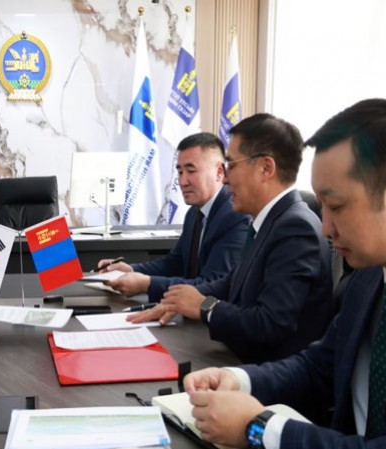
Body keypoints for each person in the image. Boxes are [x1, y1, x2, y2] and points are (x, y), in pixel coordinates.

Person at [185, 98, 386, 449]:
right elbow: (320, 366)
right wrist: (240, 380)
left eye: (335, 206)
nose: (324, 228)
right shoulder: (371, 275)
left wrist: (260, 427)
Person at [131, 113, 334, 364]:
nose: (225, 178)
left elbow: (270, 324)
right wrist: (179, 299)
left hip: (264, 372)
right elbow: (231, 283)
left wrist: (204, 307)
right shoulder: (269, 221)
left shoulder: (295, 228)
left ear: (265, 168)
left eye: (232, 165)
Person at [98, 133, 249, 300]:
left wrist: (147, 284)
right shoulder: (194, 213)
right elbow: (175, 263)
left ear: (219, 171)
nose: (182, 181)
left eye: (191, 171)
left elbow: (212, 285)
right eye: (180, 172)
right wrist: (131, 270)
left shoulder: (234, 216)